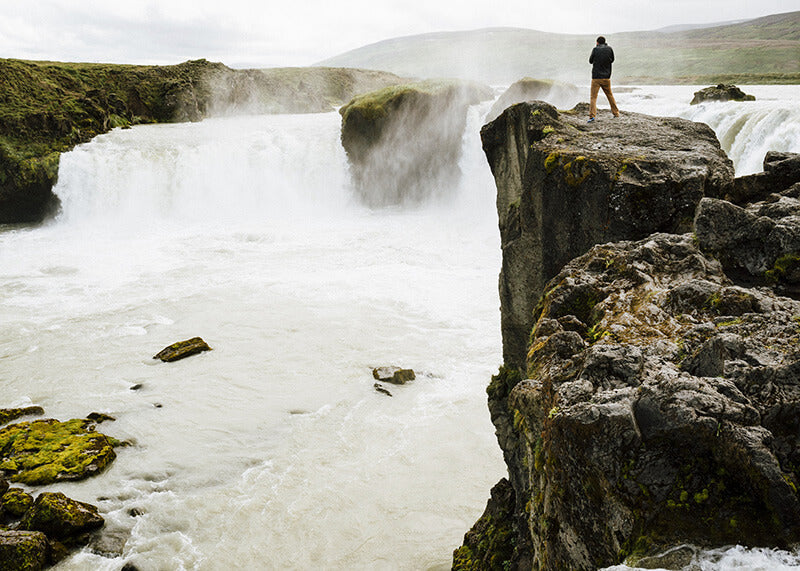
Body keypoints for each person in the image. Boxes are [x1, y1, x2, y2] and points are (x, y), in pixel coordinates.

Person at [588, 36, 620, 122]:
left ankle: (592, 116)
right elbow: (612, 60)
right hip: (606, 77)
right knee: (610, 95)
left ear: (597, 42)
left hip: (596, 78)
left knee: (593, 97)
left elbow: (590, 61)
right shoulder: (609, 49)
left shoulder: (595, 49)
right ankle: (616, 113)